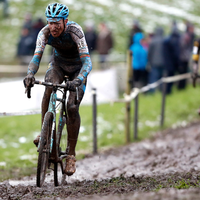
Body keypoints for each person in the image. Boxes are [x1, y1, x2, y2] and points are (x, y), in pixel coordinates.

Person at [23, 3, 92, 176]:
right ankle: (44, 134)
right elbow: (36, 57)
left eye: (57, 23)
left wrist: (79, 80)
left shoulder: (75, 31)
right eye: (50, 22)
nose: (53, 27)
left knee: (72, 106)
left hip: (77, 69)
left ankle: (71, 155)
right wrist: (30, 74)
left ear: (65, 21)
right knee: (49, 87)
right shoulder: (44, 32)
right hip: (58, 65)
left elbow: (88, 62)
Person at [147, 27, 165, 93]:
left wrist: (149, 61)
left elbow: (149, 53)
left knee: (153, 78)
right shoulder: (164, 40)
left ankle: (152, 91)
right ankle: (162, 90)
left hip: (154, 63)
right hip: (163, 63)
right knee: (161, 78)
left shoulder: (153, 41)